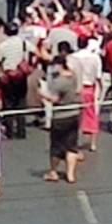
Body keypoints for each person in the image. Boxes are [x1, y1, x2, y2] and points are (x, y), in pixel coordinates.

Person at [42, 49, 83, 184]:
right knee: (72, 145)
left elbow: (54, 99)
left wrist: (42, 94)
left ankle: (53, 171)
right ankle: (70, 174)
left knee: (56, 146)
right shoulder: (73, 76)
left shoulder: (59, 82)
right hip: (74, 113)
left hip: (60, 116)